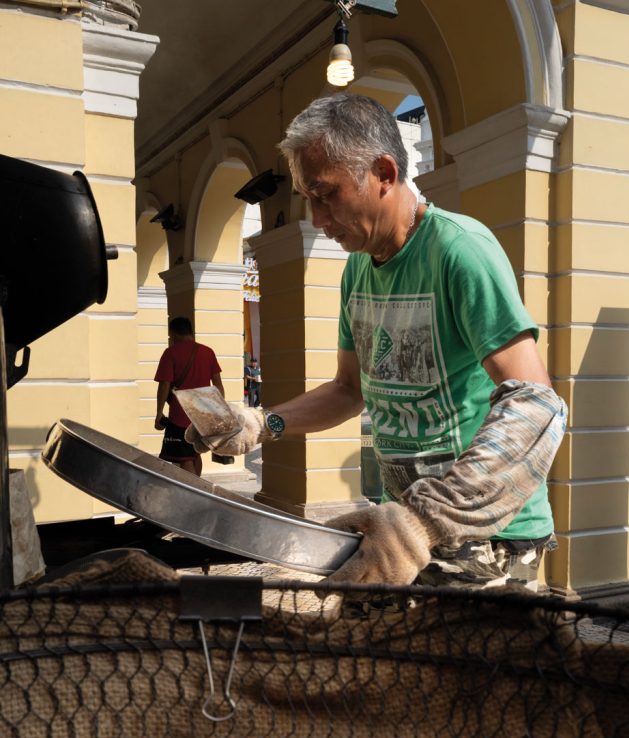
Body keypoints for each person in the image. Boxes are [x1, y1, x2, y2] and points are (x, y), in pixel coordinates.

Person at [185, 94, 567, 588]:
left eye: (326, 194)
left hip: (488, 538)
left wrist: (422, 524)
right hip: (406, 527)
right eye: (308, 200)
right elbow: (348, 390)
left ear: (385, 172)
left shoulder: (459, 250)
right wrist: (261, 423)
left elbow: (537, 405)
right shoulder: (358, 270)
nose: (318, 219)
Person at [154, 316, 224, 477]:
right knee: (194, 453)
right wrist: (217, 410)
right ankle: (198, 487)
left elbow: (164, 384)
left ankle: (195, 493)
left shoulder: (171, 353)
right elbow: (218, 385)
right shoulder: (208, 352)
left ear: (174, 334)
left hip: (181, 414)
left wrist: (159, 413)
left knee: (183, 457)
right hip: (203, 413)